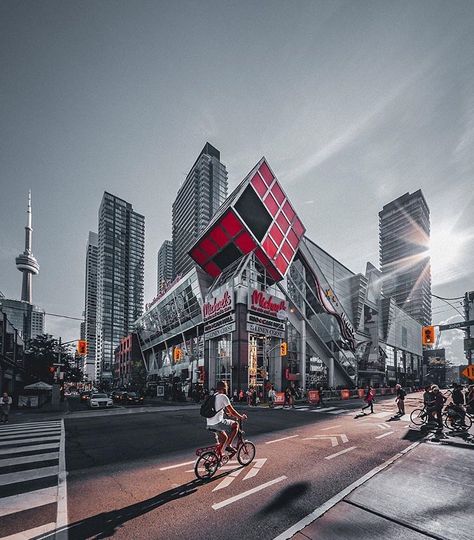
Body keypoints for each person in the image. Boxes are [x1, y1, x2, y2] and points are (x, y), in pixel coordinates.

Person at [206, 380, 247, 456]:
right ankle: (229, 445)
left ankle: (218, 455)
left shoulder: (214, 396)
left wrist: (228, 414)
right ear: (224, 388)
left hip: (209, 423)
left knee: (224, 438)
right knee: (236, 425)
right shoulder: (223, 397)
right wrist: (241, 417)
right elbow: (233, 411)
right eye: (227, 387)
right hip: (217, 423)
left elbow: (219, 408)